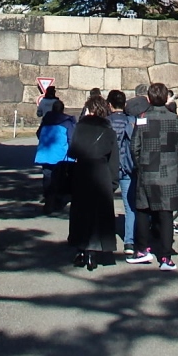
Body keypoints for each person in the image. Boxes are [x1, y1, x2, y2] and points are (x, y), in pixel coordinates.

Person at [128, 82, 178, 270]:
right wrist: (176, 164)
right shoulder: (175, 119)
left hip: (147, 170)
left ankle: (142, 250)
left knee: (143, 210)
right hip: (169, 172)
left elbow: (134, 146)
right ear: (165, 97)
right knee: (166, 214)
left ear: (149, 98)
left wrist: (140, 164)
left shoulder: (142, 119)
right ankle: (165, 257)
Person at [67, 95, 119, 270]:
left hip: (82, 172)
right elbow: (114, 159)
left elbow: (73, 151)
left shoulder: (80, 128)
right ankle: (94, 251)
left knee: (81, 212)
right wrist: (113, 182)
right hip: (102, 173)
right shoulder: (109, 131)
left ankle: (81, 248)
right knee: (99, 214)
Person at [106, 89, 138, 255]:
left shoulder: (106, 122)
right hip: (127, 166)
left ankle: (104, 237)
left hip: (108, 168)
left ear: (109, 105)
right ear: (124, 104)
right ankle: (129, 242)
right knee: (130, 206)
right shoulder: (131, 121)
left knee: (105, 204)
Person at [34, 99, 75, 215]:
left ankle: (48, 200)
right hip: (61, 155)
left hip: (46, 153)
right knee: (59, 178)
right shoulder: (67, 122)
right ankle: (56, 201)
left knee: (47, 177)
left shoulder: (46, 120)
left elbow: (38, 133)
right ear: (62, 110)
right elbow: (71, 138)